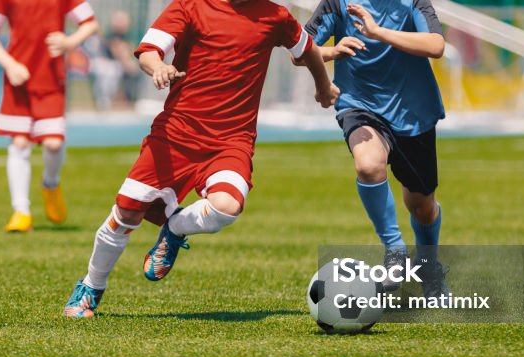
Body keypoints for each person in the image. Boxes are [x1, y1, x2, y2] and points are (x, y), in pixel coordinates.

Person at [63, 0, 339, 318]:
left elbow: (307, 52)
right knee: (127, 212)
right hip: (174, 135)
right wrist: (159, 68)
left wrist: (323, 87)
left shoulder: (275, 16)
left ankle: (176, 227)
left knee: (228, 206)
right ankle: (91, 286)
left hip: (231, 141)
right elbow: (150, 51)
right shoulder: (190, 6)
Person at [300, 0, 448, 297]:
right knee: (368, 165)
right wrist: (332, 51)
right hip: (359, 105)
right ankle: (394, 249)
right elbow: (300, 49)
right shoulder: (336, 3)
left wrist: (378, 32)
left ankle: (428, 264)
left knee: (422, 207)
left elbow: (436, 45)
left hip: (413, 112)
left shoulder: (412, 2)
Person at [0, 0, 99, 232]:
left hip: (51, 79)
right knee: (20, 141)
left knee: (53, 144)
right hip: (18, 79)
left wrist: (69, 42)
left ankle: (51, 185)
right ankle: (21, 211)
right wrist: (10, 65)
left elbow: (90, 23)